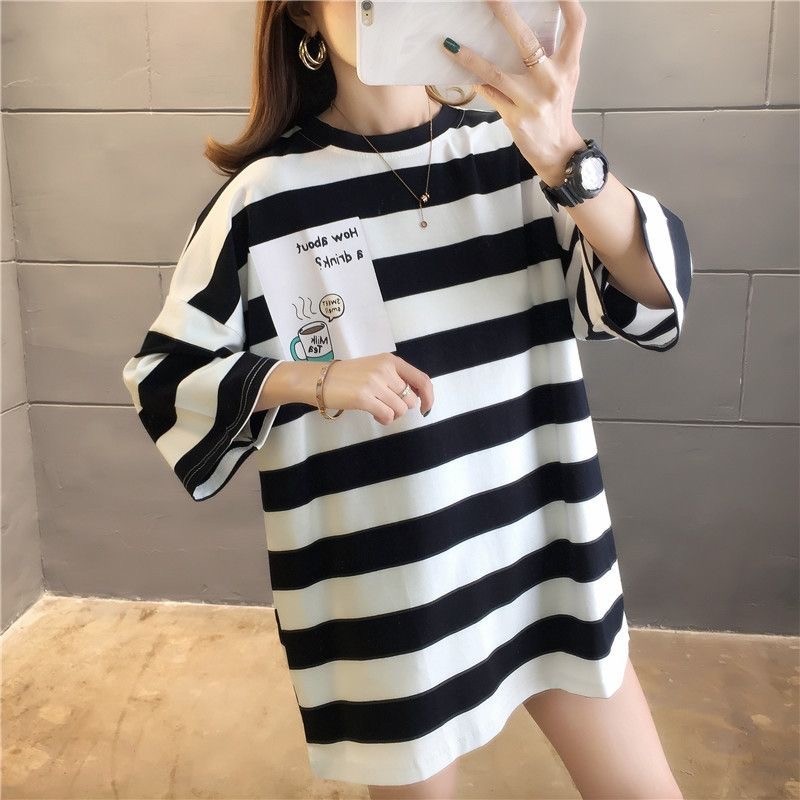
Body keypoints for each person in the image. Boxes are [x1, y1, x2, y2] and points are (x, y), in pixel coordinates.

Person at [122, 0, 691, 797]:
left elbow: (655, 304)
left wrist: (566, 154)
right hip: (391, 603)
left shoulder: (516, 154)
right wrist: (314, 379)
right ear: (304, 16)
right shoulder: (265, 198)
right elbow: (164, 379)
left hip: (547, 562)